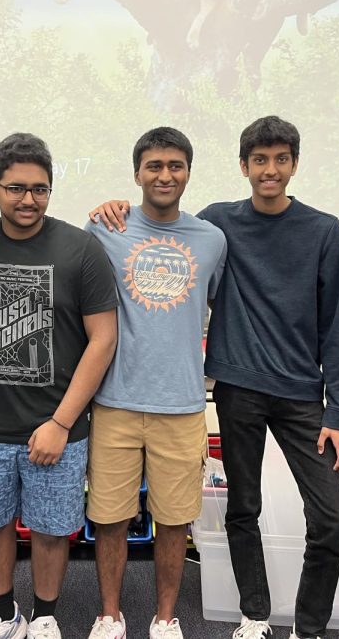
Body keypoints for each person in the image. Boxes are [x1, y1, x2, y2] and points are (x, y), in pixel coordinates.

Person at [91, 115, 339, 639]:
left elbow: (336, 325)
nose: (270, 170)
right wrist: (107, 204)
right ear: (243, 166)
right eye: (260, 160)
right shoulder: (218, 224)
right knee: (243, 508)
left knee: (330, 520)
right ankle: (254, 615)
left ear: (295, 165)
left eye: (281, 159)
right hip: (236, 388)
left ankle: (310, 626)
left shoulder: (319, 230)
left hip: (302, 393)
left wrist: (338, 409)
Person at [0, 132, 118, 639]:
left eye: (39, 189)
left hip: (57, 426)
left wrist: (61, 422)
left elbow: (103, 339)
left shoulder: (81, 249)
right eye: (16, 188)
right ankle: (2, 614)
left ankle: (44, 615)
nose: (28, 199)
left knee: (50, 528)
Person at [82, 127, 226, 639]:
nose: (165, 175)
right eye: (154, 166)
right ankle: (110, 615)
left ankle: (165, 618)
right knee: (110, 517)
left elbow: (220, 309)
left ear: (188, 171)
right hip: (115, 402)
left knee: (173, 520)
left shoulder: (211, 239)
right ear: (137, 172)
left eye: (175, 166)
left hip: (183, 406)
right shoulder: (105, 228)